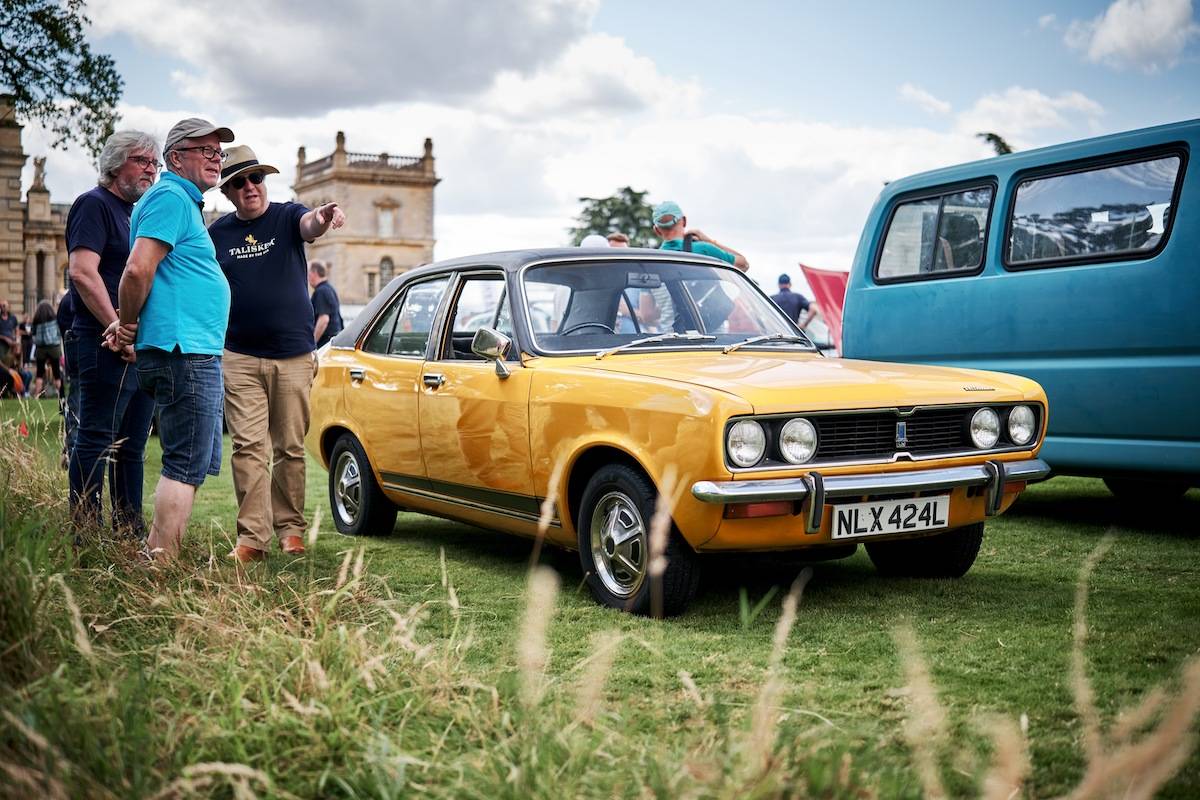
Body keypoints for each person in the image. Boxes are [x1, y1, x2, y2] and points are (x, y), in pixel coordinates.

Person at [208, 145, 345, 562]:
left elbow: (309, 225)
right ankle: (252, 538)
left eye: (256, 178)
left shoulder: (287, 216)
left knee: (288, 446)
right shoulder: (217, 235)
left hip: (293, 355)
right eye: (239, 182)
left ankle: (290, 530)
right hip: (240, 357)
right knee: (248, 448)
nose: (250, 187)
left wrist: (322, 217)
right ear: (228, 192)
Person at [111, 117, 235, 561]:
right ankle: (161, 564)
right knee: (183, 464)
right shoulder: (170, 198)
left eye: (219, 153)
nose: (216, 160)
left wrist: (129, 323)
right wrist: (126, 323)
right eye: (206, 150)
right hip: (184, 352)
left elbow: (157, 280)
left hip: (188, 349)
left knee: (192, 462)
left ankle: (161, 555)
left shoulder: (176, 200)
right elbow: (137, 269)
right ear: (176, 157)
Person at [66, 130, 161, 538]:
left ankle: (128, 534)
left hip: (137, 347)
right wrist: (117, 328)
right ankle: (86, 534)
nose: (151, 170)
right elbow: (82, 272)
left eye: (155, 163)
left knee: (133, 447)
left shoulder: (134, 214)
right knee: (96, 439)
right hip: (102, 341)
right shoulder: (94, 204)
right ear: (115, 163)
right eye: (142, 161)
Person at [651, 200, 749, 272]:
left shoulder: (652, 263)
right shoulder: (703, 249)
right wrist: (709, 241)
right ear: (684, 221)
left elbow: (645, 300)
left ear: (656, 230)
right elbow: (744, 265)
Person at [30, 300, 63, 398]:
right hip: (54, 348)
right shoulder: (55, 319)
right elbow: (59, 332)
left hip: (41, 349)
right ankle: (60, 395)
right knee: (57, 372)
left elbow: (33, 333)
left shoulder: (36, 321)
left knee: (39, 373)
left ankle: (36, 395)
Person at [309, 261, 343, 348]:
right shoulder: (329, 288)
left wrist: (312, 344)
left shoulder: (321, 291)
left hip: (325, 342)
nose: (308, 278)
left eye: (308, 274)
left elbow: (324, 320)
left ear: (314, 273)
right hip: (332, 339)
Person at [0, 298, 17, 368]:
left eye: (4, 305)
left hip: (12, 344)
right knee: (4, 363)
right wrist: (5, 338)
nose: (2, 307)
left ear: (8, 307)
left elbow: (17, 330)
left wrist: (17, 339)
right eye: (1, 306)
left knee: (13, 361)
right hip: (1, 344)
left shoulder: (13, 318)